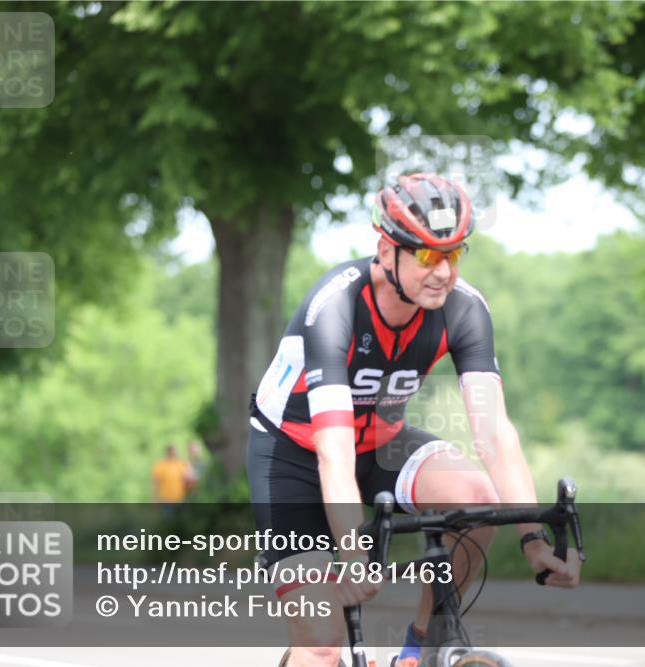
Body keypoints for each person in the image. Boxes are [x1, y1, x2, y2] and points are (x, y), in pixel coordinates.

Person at [247, 173, 581, 667]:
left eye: (453, 254)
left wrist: (533, 539)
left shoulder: (464, 310)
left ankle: (421, 648)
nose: (443, 272)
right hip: (295, 454)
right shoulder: (336, 306)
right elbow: (333, 453)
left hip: (383, 443)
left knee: (475, 498)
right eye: (426, 256)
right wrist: (353, 555)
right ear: (387, 251)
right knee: (321, 642)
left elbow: (494, 432)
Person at [151, 444, 189, 509]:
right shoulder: (160, 465)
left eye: (174, 452)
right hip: (165, 500)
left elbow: (187, 480)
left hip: (179, 499)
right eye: (170, 452)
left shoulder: (181, 464)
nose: (172, 454)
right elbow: (156, 483)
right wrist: (155, 499)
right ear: (167, 452)